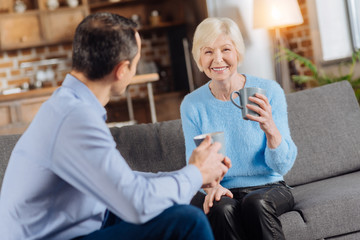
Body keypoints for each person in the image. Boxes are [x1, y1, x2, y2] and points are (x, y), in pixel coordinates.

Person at [0, 13, 231, 240]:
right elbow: (135, 203)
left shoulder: (68, 104)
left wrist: (190, 174)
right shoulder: (75, 118)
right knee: (187, 221)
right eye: (136, 63)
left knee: (169, 207)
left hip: (82, 222)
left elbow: (121, 182)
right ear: (122, 71)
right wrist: (195, 174)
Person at [180, 17, 298, 240]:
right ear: (199, 58)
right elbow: (195, 164)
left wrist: (270, 127)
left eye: (226, 49)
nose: (218, 59)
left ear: (237, 53)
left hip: (270, 186)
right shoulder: (192, 105)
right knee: (223, 208)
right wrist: (211, 187)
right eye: (208, 52)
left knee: (255, 203)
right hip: (224, 190)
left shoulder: (269, 91)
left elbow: (282, 165)